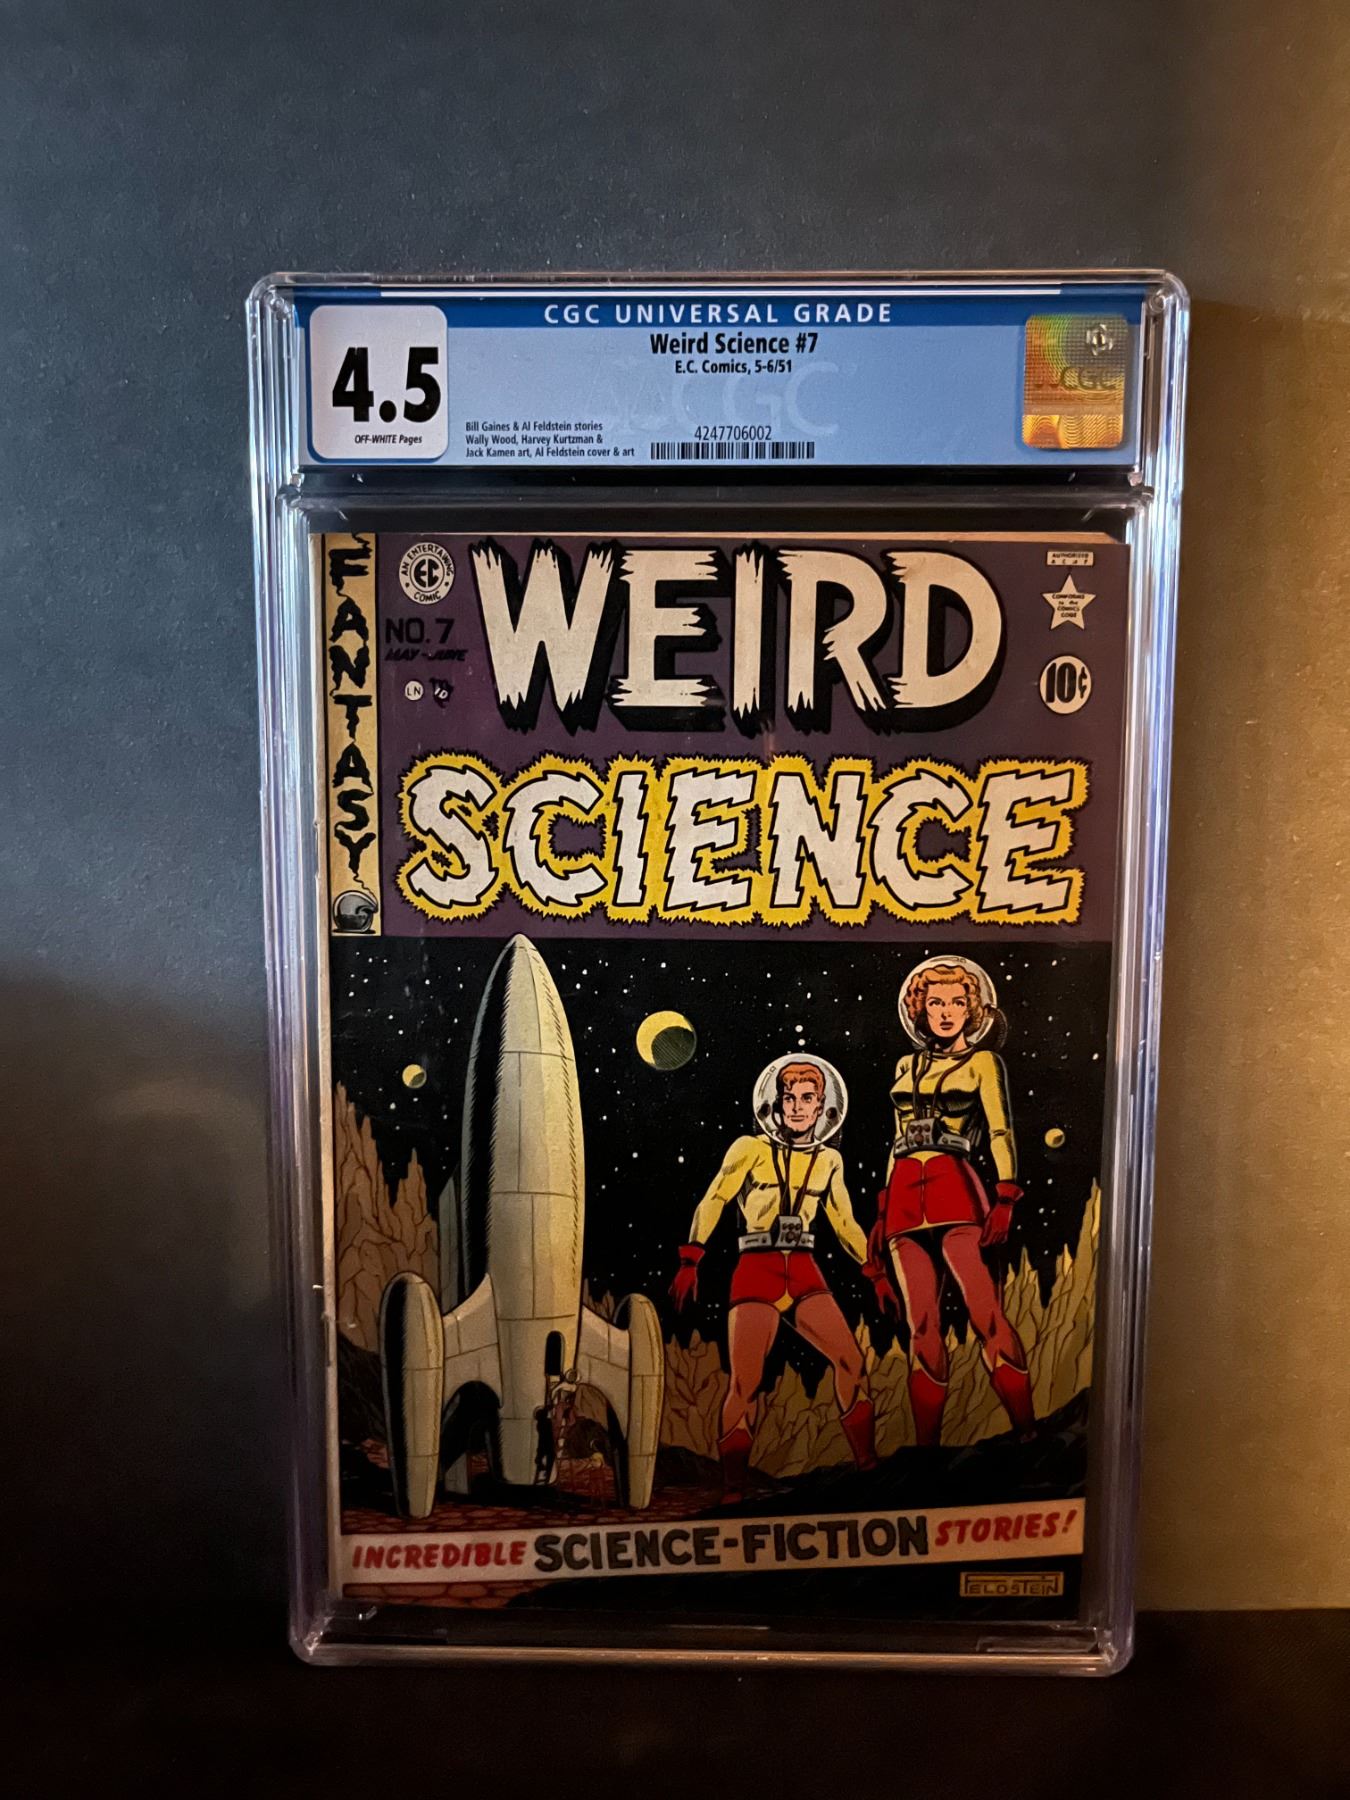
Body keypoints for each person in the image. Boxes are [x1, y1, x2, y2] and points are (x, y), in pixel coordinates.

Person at [669, 1054, 885, 1502]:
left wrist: (875, 1273)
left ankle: (868, 1466)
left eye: (807, 1098)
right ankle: (733, 1488)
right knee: (745, 1382)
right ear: (777, 1102)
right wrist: (691, 1259)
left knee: (851, 1361)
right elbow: (715, 1198)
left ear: (822, 1105)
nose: (798, 1107)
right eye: (790, 1098)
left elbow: (844, 1222)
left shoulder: (829, 1160)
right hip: (757, 1269)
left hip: (804, 1269)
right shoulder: (749, 1149)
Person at [867, 956, 1036, 1447]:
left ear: (972, 1009)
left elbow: (1001, 1130)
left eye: (957, 1002)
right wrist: (882, 1209)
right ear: (920, 1009)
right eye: (936, 1002)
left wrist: (1006, 1195)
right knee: (921, 1324)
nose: (945, 1012)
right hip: (904, 1195)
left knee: (985, 1312)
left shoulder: (984, 1062)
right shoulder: (906, 1065)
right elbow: (896, 1138)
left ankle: (1028, 1432)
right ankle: (927, 1452)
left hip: (955, 1188)